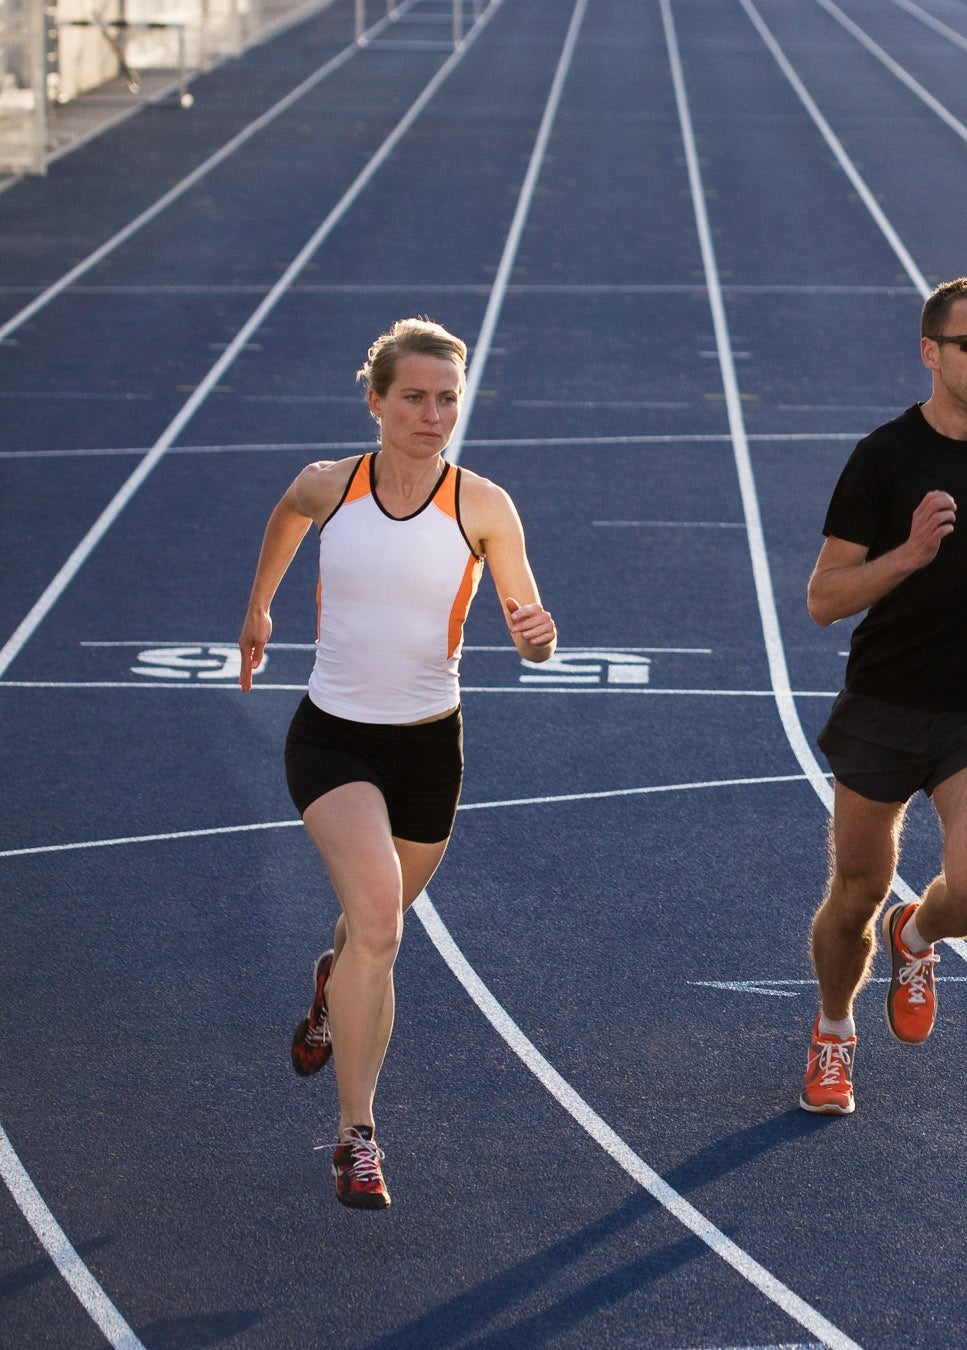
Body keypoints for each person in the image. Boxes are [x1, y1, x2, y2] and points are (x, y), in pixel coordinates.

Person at [237, 317, 556, 1207]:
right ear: (375, 402)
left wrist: (538, 637)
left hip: (428, 751)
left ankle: (329, 987)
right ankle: (357, 1137)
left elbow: (529, 625)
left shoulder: (483, 506)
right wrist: (260, 606)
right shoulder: (330, 485)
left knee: (362, 936)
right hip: (332, 738)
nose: (432, 414)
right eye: (413, 397)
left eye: (447, 398)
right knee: (380, 927)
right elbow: (287, 512)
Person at [799, 276, 967, 1115]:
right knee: (855, 892)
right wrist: (908, 556)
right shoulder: (884, 459)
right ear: (931, 352)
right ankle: (833, 1033)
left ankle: (914, 934)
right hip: (884, 706)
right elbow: (823, 599)